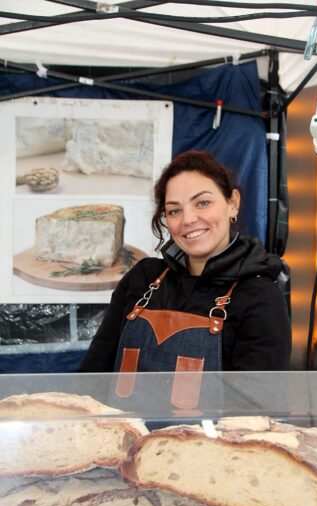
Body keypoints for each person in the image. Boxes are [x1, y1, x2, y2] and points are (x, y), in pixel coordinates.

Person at [79, 150, 291, 373]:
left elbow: (258, 404)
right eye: (174, 210)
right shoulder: (143, 278)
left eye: (202, 203)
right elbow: (92, 375)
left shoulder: (259, 296)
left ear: (233, 204)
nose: (188, 219)